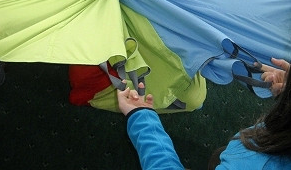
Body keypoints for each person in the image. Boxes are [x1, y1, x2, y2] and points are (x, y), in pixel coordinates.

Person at [117, 58, 291, 169]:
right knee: (220, 155)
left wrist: (141, 117)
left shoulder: (253, 162)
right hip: (261, 145)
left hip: (253, 153)